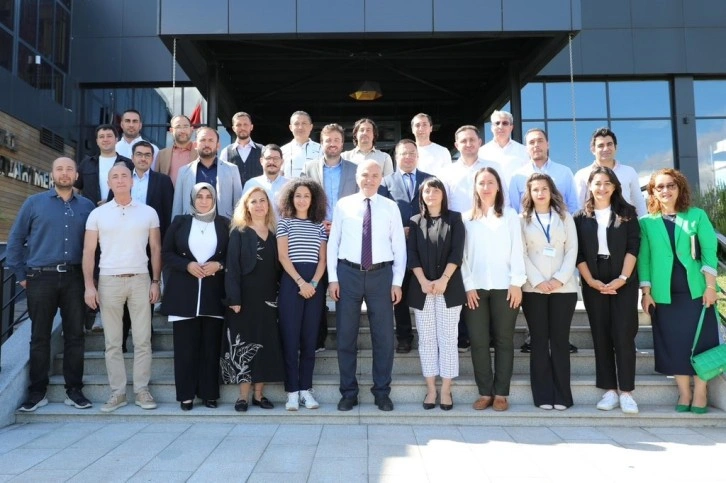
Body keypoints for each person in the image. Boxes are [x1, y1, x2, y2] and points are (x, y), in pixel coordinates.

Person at [7, 157, 95, 412]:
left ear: (76, 175)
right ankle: (37, 392)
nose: (64, 173)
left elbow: (95, 246)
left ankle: (74, 390)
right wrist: (21, 274)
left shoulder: (87, 206)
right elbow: (16, 239)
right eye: (59, 169)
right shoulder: (33, 203)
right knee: (39, 336)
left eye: (69, 169)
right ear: (52, 173)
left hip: (75, 278)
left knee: (75, 335)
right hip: (40, 278)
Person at [327, 160, 407, 412]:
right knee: (346, 336)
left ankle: (382, 392)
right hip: (348, 274)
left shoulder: (390, 207)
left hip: (381, 276)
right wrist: (333, 278)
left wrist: (397, 282)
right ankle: (348, 393)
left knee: (384, 337)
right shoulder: (343, 205)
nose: (369, 179)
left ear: (381, 178)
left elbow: (399, 246)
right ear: (357, 177)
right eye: (365, 174)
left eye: (374, 175)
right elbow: (333, 242)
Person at [638, 168, 719, 414]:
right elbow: (644, 260)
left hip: (697, 291)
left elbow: (709, 253)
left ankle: (701, 390)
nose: (666, 190)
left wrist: (710, 287)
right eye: (660, 187)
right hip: (664, 295)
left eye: (670, 185)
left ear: (679, 188)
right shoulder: (646, 223)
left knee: (702, 342)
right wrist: (646, 292)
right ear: (653, 192)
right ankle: (684, 391)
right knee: (674, 343)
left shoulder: (697, 216)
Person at [82, 164, 161, 413]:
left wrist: (156, 281)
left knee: (143, 340)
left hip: (140, 279)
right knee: (113, 342)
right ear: (109, 183)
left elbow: (156, 249)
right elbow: (88, 251)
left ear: (132, 181)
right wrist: (89, 286)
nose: (120, 180)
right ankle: (117, 393)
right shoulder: (97, 214)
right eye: (114, 176)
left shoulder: (148, 212)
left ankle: (141, 390)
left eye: (124, 175)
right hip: (109, 280)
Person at [574, 166, 640, 414]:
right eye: (597, 183)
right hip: (593, 278)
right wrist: (590, 281)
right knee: (601, 335)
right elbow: (578, 253)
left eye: (607, 183)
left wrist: (623, 278)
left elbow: (633, 247)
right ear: (590, 186)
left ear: (614, 187)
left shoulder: (627, 213)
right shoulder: (580, 217)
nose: (602, 188)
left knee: (623, 334)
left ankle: (627, 392)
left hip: (623, 277)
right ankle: (610, 390)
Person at [461, 167, 526, 412]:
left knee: (503, 340)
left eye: (491, 182)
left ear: (498, 187)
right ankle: (485, 392)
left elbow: (518, 249)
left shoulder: (509, 215)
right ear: (475, 187)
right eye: (481, 183)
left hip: (505, 287)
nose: (486, 187)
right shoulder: (466, 218)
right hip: (475, 289)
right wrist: (468, 286)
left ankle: (501, 393)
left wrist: (517, 282)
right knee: (478, 340)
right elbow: (462, 257)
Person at [161, 183, 229, 411]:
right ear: (192, 199)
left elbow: (232, 255)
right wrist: (187, 265)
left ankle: (209, 394)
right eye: (199, 196)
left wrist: (219, 265)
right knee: (185, 349)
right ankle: (186, 395)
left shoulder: (224, 224)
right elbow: (167, 253)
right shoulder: (180, 222)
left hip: (213, 294)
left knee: (211, 348)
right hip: (183, 295)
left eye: (208, 196)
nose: (204, 201)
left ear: (214, 199)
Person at [440, 125, 504, 352]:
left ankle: (492, 335)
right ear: (456, 145)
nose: (468, 144)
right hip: (458, 230)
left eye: (472, 140)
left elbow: (503, 198)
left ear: (479, 142)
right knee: (460, 281)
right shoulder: (447, 171)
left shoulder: (493, 167)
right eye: (463, 141)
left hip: (488, 229)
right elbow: (443, 204)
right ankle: (463, 335)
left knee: (486, 279)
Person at [221, 187, 284, 411]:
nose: (258, 205)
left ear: (268, 205)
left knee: (264, 344)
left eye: (262, 201)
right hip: (244, 299)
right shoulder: (239, 232)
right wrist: (234, 299)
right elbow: (232, 267)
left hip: (269, 299)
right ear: (246, 206)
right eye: (253, 201)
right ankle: (242, 396)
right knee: (244, 345)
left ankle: (259, 395)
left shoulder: (275, 233)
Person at [520, 173, 578, 410]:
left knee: (560, 341)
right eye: (535, 189)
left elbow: (572, 249)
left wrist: (558, 279)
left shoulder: (565, 217)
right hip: (533, 289)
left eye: (544, 188)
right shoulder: (522, 220)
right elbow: (521, 254)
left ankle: (563, 396)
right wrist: (538, 281)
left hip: (563, 289)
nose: (540, 193)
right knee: (539, 341)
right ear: (529, 194)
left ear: (551, 191)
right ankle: (543, 395)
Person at [407, 177, 466, 411]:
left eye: (436, 190)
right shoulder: (415, 221)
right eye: (427, 191)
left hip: (449, 288)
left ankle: (446, 389)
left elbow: (457, 253)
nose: (431, 195)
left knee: (448, 339)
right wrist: (423, 281)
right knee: (427, 339)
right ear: (421, 196)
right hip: (422, 289)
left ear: (443, 194)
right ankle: (431, 389)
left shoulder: (455, 219)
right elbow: (412, 255)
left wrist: (443, 280)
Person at [302, 123, 359, 350]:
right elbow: (302, 200)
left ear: (342, 143)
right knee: (317, 288)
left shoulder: (355, 169)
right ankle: (318, 339)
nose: (332, 144)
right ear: (321, 143)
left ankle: (347, 340)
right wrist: (318, 223)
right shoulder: (309, 169)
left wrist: (339, 225)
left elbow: (360, 203)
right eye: (328, 140)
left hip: (347, 236)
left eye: (336, 140)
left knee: (344, 289)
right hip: (316, 234)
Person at [277, 178, 328, 411]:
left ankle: (306, 389)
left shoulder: (319, 226)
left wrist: (313, 283)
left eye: (306, 196)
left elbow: (322, 259)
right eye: (298, 195)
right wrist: (300, 282)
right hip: (292, 283)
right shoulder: (284, 223)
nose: (302, 199)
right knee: (290, 339)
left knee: (309, 339)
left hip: (314, 286)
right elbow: (283, 257)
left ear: (313, 199)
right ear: (291, 198)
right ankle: (292, 391)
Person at [378, 139, 432, 354]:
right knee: (398, 293)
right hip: (396, 247)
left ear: (417, 156)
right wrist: (398, 230)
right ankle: (404, 337)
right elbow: (380, 214)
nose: (408, 157)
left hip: (425, 247)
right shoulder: (385, 182)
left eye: (411, 153)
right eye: (403, 153)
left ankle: (428, 336)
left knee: (425, 293)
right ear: (396, 157)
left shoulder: (430, 180)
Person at [173, 125, 243, 219]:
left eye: (211, 140)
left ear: (218, 145)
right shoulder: (184, 171)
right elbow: (177, 206)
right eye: (203, 140)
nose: (206, 144)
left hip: (223, 225)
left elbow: (238, 205)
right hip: (191, 224)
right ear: (195, 145)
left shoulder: (232, 170)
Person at [575, 127, 647, 218]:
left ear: (615, 147)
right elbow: (578, 206)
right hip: (593, 224)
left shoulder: (629, 172)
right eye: (601, 146)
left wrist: (644, 224)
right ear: (593, 150)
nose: (606, 149)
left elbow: (639, 202)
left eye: (609, 144)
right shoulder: (582, 175)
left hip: (625, 222)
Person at [509, 128, 578, 214]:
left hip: (559, 221)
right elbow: (514, 210)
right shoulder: (517, 176)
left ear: (548, 144)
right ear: (526, 148)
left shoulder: (564, 172)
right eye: (532, 142)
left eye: (540, 141)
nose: (536, 145)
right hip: (527, 222)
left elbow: (574, 206)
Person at [75, 124, 134, 206]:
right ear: (97, 141)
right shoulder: (86, 163)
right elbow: (75, 188)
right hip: (90, 211)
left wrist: (111, 202)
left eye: (109, 136)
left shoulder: (128, 164)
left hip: (120, 210)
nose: (105, 139)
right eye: (101, 137)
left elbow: (134, 189)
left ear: (116, 139)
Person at [477, 110, 529, 184]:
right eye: (497, 123)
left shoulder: (524, 151)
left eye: (505, 123)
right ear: (492, 127)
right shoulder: (481, 152)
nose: (500, 126)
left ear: (511, 127)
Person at [243, 143, 291, 219]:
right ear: (261, 161)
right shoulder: (251, 184)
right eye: (268, 158)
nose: (272, 162)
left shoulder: (289, 185)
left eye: (276, 158)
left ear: (282, 162)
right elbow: (244, 212)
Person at [219, 111, 264, 187]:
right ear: (233, 128)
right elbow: (221, 178)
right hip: (234, 194)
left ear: (251, 127)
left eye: (245, 124)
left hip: (256, 193)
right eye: (238, 125)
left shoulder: (263, 150)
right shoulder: (226, 152)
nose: (242, 128)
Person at [156, 115, 198, 186]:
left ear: (191, 129)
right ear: (171, 130)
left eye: (185, 126)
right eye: (178, 127)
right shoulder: (162, 154)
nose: (182, 131)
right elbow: (156, 181)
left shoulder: (200, 154)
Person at [281, 110, 322, 178]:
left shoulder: (321, 150)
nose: (300, 127)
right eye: (296, 124)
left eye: (304, 123)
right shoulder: (282, 151)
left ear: (311, 127)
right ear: (290, 127)